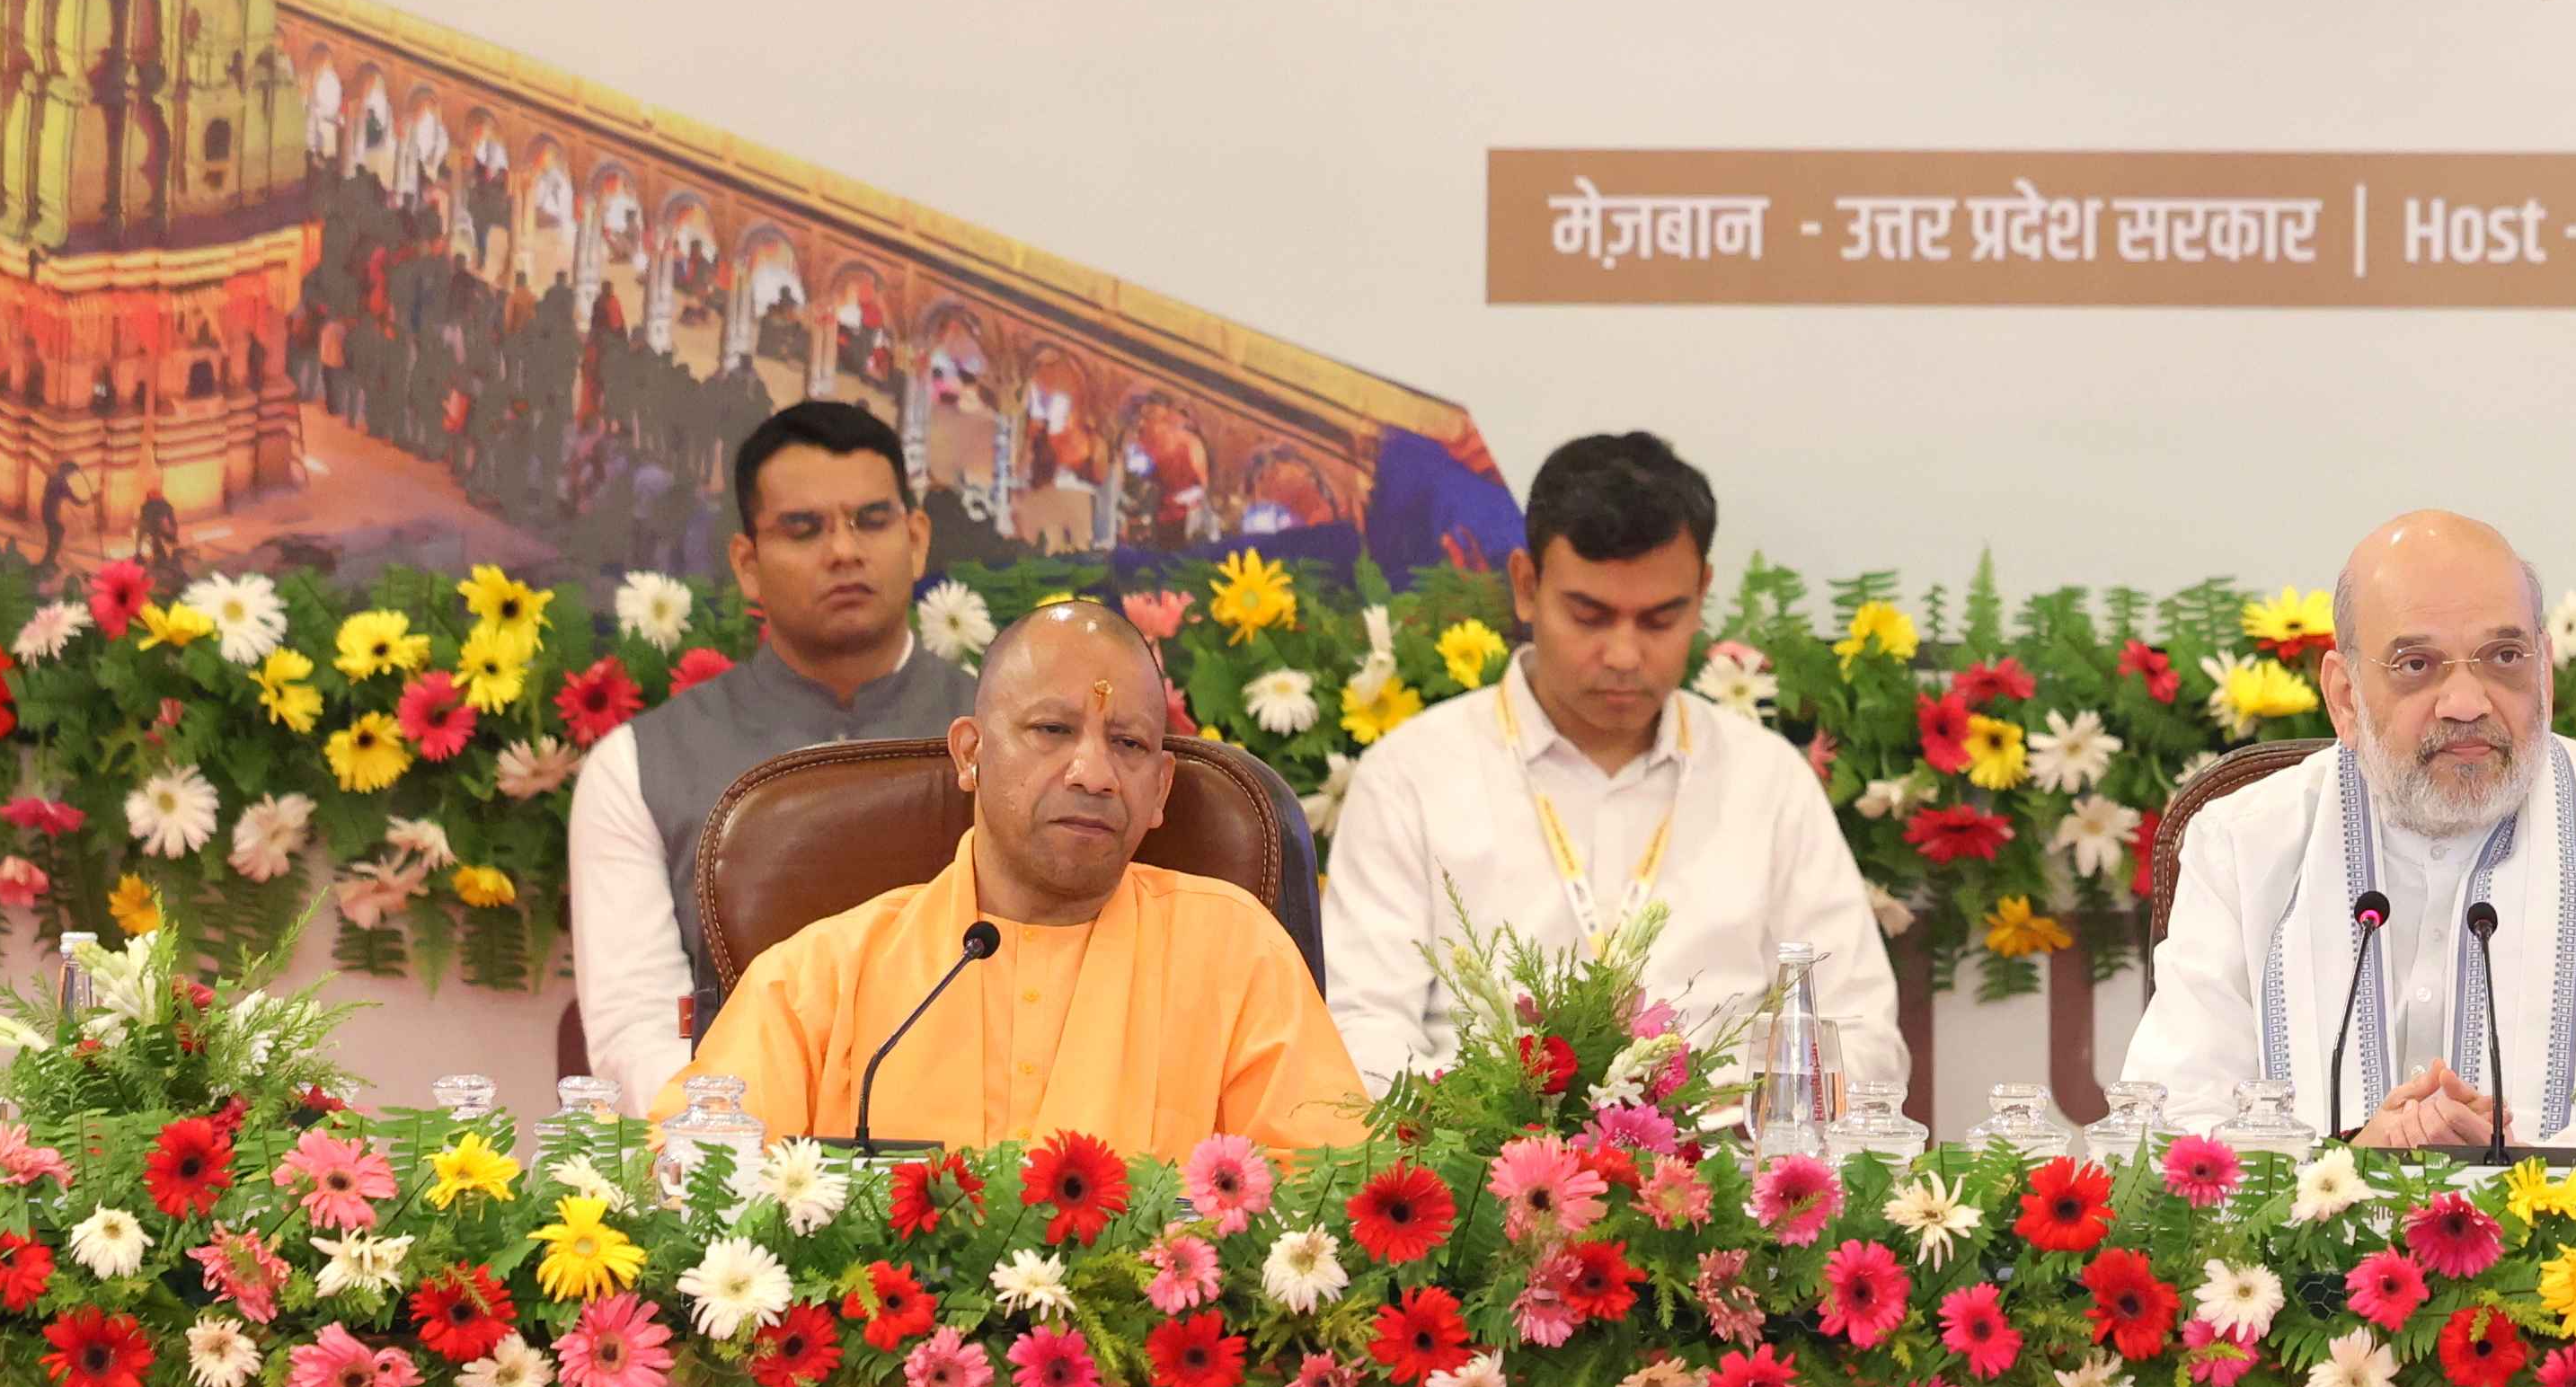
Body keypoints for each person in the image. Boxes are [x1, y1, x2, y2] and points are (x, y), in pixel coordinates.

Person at [2123, 509, 2576, 1156]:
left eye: (2504, 657)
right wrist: (2347, 1164)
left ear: (2545, 673)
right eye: (2416, 664)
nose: (2466, 703)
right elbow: (2168, 1121)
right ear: (2344, 696)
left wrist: (2513, 1170)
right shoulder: (2241, 845)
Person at [1317, 429, 1894, 1092]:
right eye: (1589, 616)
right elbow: (1358, 1029)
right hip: (1480, 1145)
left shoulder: (1767, 781)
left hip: (1723, 1147)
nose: (1623, 655)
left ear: (1701, 593)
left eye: (1659, 620)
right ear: (1526, 586)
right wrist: (1496, 1123)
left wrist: (1711, 1118)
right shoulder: (1410, 776)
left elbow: (1860, 1034)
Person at [683, 598, 1357, 1156]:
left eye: (1128, 744)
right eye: (1052, 729)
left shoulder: (1235, 957)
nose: (1093, 774)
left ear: (1159, 789)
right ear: (970, 753)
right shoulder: (818, 980)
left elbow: (1328, 1203)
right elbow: (691, 1191)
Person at [568, 400, 986, 1107]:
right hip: (736, 1147)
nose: (843, 551)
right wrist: (761, 1139)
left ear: (916, 539)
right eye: (804, 528)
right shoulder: (637, 765)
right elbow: (636, 1031)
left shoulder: (1017, 741)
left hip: (983, 1144)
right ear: (747, 564)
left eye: (871, 520)